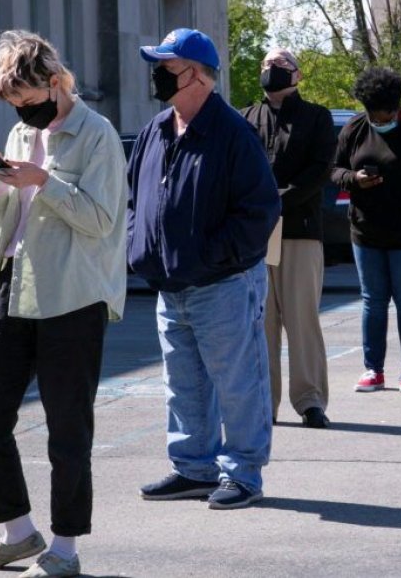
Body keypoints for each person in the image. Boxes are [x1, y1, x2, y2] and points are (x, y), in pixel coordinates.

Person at [0, 30, 128, 578]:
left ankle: (65, 549)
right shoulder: (16, 133)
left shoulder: (96, 134)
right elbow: (2, 225)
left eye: (30, 103)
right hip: (16, 285)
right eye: (16, 106)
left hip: (73, 297)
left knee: (67, 430)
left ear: (56, 83)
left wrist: (43, 181)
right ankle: (18, 532)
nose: (24, 114)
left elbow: (102, 221)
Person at [127, 28, 280, 510]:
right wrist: (141, 247)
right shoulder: (156, 130)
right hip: (171, 286)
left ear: (195, 74)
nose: (156, 75)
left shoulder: (233, 132)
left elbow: (259, 212)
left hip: (223, 284)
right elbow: (136, 199)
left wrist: (210, 256)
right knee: (183, 383)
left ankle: (244, 474)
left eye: (165, 67)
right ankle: (193, 467)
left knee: (238, 382)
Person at [240, 48, 335, 429]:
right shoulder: (245, 117)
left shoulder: (317, 117)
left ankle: (310, 400)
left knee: (302, 319)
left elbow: (320, 170)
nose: (269, 70)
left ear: (296, 75)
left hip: (300, 229)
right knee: (261, 323)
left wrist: (279, 198)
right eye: (264, 64)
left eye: (278, 66)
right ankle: (265, 403)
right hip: (256, 236)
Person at [333, 68, 401, 393]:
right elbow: (334, 169)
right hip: (366, 233)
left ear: (397, 108)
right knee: (373, 301)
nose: (381, 121)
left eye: (387, 116)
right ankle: (373, 369)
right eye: (375, 117)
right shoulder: (354, 128)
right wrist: (354, 180)